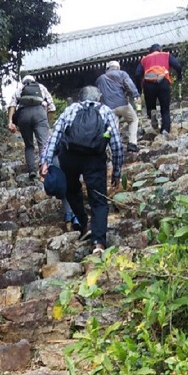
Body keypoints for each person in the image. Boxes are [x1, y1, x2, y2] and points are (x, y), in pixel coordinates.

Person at [40, 86, 124, 255]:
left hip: (70, 156)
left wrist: (45, 162)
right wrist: (116, 170)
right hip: (94, 157)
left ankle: (84, 224)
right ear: (98, 98)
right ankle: (98, 244)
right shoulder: (105, 111)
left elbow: (54, 136)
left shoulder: (71, 109)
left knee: (71, 190)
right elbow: (116, 143)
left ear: (80, 98)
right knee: (98, 199)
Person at [6, 74, 55, 181]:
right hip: (40, 113)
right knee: (43, 144)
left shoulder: (20, 88)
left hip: (24, 116)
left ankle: (32, 170)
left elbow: (12, 104)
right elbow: (51, 107)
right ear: (34, 81)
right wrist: (46, 121)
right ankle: (44, 169)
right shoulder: (41, 87)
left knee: (29, 145)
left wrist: (10, 122)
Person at [135, 44, 182, 135]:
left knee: (151, 107)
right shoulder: (166, 55)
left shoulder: (144, 59)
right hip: (163, 81)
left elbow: (137, 74)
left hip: (148, 83)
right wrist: (179, 77)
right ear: (160, 49)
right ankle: (165, 130)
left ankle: (152, 113)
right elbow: (178, 66)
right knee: (165, 109)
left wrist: (139, 88)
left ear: (150, 52)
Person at [95, 60, 141, 153]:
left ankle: (112, 148)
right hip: (122, 104)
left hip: (108, 108)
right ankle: (132, 144)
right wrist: (136, 95)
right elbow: (129, 85)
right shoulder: (122, 74)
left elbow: (97, 95)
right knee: (133, 120)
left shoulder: (100, 79)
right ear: (118, 67)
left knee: (113, 127)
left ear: (107, 68)